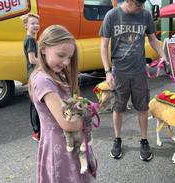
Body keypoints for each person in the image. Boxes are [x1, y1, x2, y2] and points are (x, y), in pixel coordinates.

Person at [99, 0, 167, 161]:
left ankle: (144, 140)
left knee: (142, 108)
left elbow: (152, 39)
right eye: (138, 5)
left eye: (143, 4)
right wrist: (107, 71)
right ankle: (117, 139)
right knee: (118, 107)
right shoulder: (112, 15)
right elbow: (103, 46)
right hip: (119, 72)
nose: (142, 8)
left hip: (139, 72)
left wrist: (163, 55)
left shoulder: (145, 15)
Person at [28, 25, 92, 183]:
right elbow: (67, 123)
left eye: (69, 57)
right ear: (43, 49)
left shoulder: (57, 74)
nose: (66, 62)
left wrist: (82, 104)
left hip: (69, 144)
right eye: (61, 55)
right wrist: (88, 113)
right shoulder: (43, 80)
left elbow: (67, 105)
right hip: (60, 148)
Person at [21, 13, 41, 141]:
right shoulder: (30, 40)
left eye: (37, 23)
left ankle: (38, 130)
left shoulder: (31, 39)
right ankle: (37, 132)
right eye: (32, 23)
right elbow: (32, 59)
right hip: (34, 74)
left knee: (36, 103)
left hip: (34, 74)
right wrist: (47, 62)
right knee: (35, 103)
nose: (36, 25)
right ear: (26, 25)